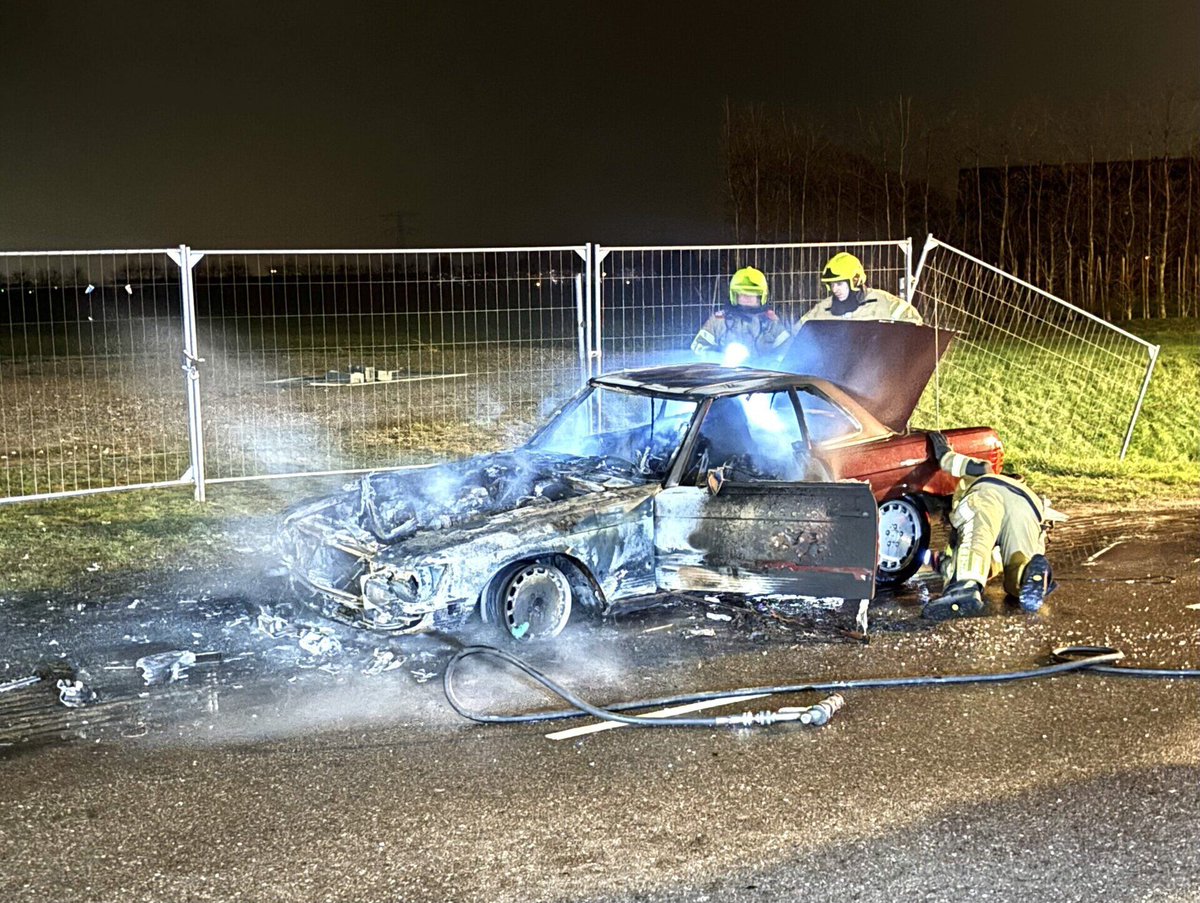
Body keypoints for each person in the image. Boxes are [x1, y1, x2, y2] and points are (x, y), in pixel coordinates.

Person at [922, 431, 1064, 621]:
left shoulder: (985, 475)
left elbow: (981, 465)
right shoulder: (1022, 490)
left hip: (988, 494)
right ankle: (1030, 577)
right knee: (1018, 566)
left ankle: (963, 589)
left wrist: (945, 454)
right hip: (1030, 508)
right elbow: (991, 564)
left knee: (976, 540)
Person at [691, 266, 791, 367]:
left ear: (761, 296)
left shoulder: (771, 322)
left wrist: (768, 365)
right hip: (725, 377)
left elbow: (788, 352)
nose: (747, 298)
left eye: (752, 294)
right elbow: (698, 350)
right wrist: (721, 359)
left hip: (762, 378)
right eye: (742, 294)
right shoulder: (719, 320)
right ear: (734, 295)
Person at [799, 252, 923, 325]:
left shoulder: (882, 302)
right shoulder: (824, 308)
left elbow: (914, 325)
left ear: (855, 279)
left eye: (840, 283)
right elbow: (798, 334)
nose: (835, 289)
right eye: (832, 285)